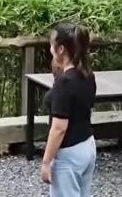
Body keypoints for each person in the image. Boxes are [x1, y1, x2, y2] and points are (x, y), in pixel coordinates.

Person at [40, 22, 97, 197]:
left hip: (68, 153)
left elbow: (59, 128)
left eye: (52, 45)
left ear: (61, 49)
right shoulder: (87, 75)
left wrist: (46, 161)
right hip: (87, 145)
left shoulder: (65, 83)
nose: (50, 49)